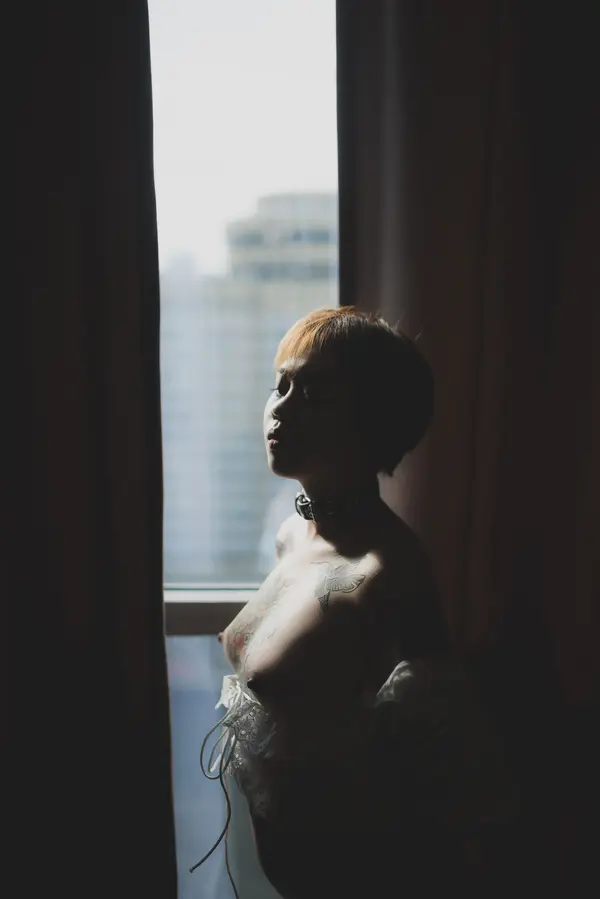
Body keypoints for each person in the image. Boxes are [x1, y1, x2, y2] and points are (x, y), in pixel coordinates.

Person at [216, 307, 513, 899]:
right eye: (281, 385)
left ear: (370, 421)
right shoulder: (292, 536)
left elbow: (456, 768)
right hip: (268, 864)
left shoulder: (389, 570)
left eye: (314, 393)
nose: (281, 407)